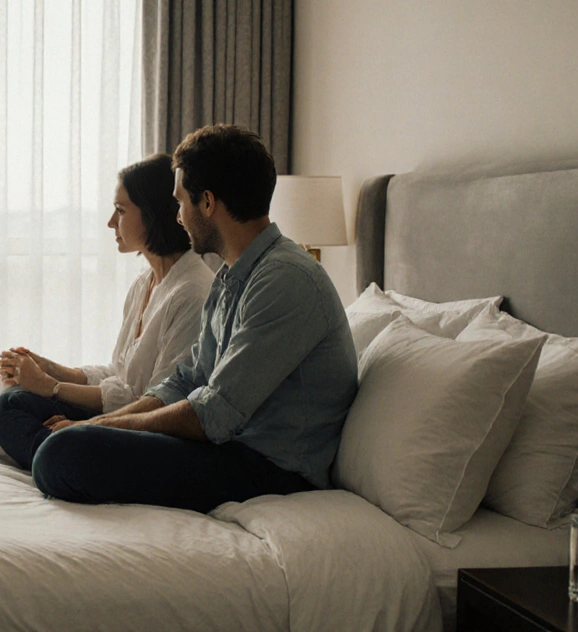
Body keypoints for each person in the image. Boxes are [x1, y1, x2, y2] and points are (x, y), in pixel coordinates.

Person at [22, 124, 358, 513]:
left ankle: (53, 454)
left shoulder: (285, 281)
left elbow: (212, 415)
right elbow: (187, 378)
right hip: (228, 447)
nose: (178, 217)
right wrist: (105, 422)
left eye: (181, 202)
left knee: (60, 454)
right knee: (40, 429)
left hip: (271, 470)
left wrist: (96, 426)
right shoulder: (233, 277)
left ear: (209, 203)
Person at [0, 153, 214, 466]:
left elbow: (155, 402)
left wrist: (52, 388)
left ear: (152, 214)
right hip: (117, 412)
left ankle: (60, 457)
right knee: (11, 398)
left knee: (9, 409)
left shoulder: (192, 293)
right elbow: (119, 374)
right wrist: (51, 369)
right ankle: (56, 453)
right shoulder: (145, 284)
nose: (111, 222)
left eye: (121, 211)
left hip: (143, 427)